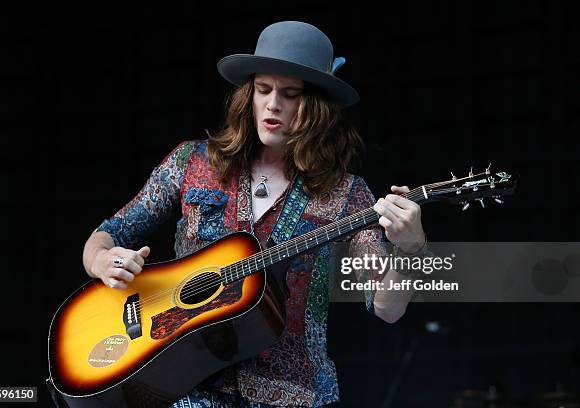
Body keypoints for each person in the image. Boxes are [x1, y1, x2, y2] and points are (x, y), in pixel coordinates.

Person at [82, 21, 426, 408]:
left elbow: (387, 307)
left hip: (294, 395)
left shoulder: (348, 194)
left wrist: (410, 249)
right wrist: (101, 260)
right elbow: (108, 233)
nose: (272, 104)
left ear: (315, 107)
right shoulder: (191, 162)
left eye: (289, 93)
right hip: (186, 390)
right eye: (262, 89)